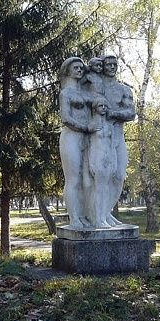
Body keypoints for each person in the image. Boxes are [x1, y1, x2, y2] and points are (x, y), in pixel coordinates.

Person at [58, 57, 99, 228]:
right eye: (76, 67)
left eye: (81, 67)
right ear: (67, 70)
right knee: (73, 179)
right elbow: (66, 118)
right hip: (72, 137)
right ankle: (74, 217)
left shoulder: (85, 92)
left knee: (87, 180)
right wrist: (85, 127)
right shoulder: (66, 93)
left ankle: (85, 215)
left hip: (87, 138)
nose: (80, 70)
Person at [101, 54, 135, 225]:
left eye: (114, 64)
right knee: (101, 177)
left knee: (119, 175)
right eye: (108, 64)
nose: (112, 67)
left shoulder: (124, 90)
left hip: (117, 135)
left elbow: (131, 113)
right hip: (99, 137)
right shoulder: (95, 87)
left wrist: (113, 113)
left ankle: (106, 212)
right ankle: (100, 215)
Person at [83, 96, 117, 227]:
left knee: (106, 189)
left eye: (105, 106)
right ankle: (97, 219)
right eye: (100, 106)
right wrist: (91, 162)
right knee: (98, 189)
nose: (103, 108)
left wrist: (114, 162)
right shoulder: (91, 126)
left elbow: (112, 145)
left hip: (108, 159)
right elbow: (89, 146)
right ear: (95, 108)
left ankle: (104, 217)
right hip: (97, 158)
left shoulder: (110, 126)